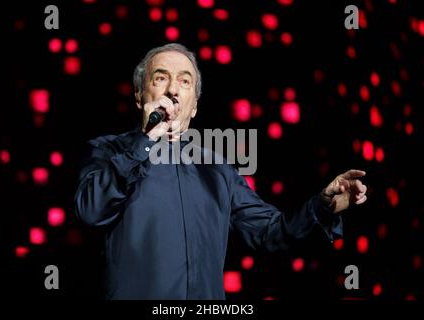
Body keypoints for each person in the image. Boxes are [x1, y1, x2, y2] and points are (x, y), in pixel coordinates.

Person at [74, 43, 367, 299]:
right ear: (139, 95)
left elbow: (270, 233)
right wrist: (147, 139)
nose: (172, 89)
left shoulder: (217, 170)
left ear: (195, 107)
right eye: (160, 77)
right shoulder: (106, 150)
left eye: (184, 81)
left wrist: (324, 205)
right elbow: (91, 210)